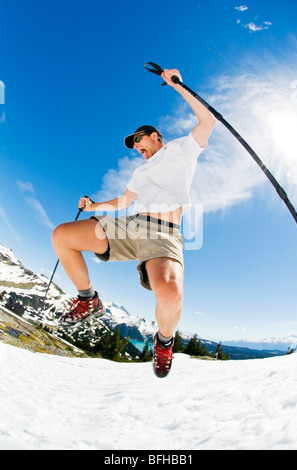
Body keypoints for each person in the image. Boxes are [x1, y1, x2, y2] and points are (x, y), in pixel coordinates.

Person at [51, 68, 215, 378]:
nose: (138, 149)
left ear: (156, 137)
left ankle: (164, 343)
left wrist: (177, 86)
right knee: (62, 236)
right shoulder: (139, 173)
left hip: (163, 234)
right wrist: (93, 206)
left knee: (170, 294)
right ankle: (88, 300)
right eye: (135, 147)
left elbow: (208, 122)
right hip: (129, 225)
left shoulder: (182, 150)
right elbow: (123, 202)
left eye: (140, 142)